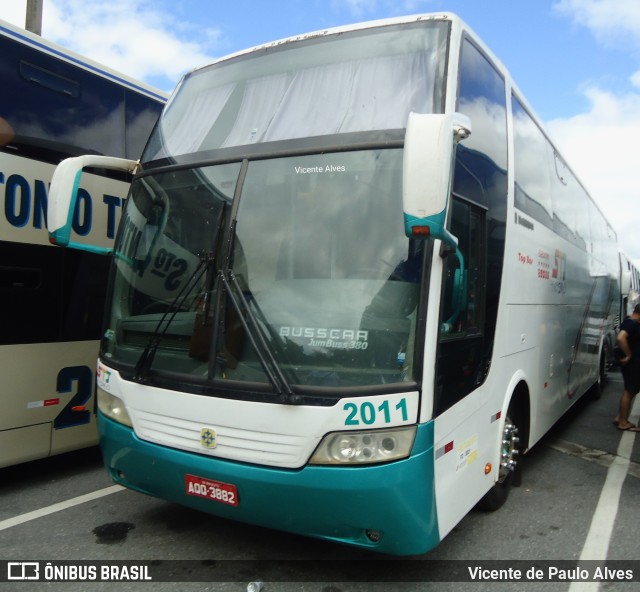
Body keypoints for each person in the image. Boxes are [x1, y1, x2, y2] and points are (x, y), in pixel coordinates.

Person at [614, 302, 640, 432]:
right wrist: (629, 355)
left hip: (633, 364)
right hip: (633, 364)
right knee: (629, 392)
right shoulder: (631, 323)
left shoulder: (630, 321)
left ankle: (620, 417)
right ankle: (623, 422)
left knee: (631, 391)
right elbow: (620, 338)